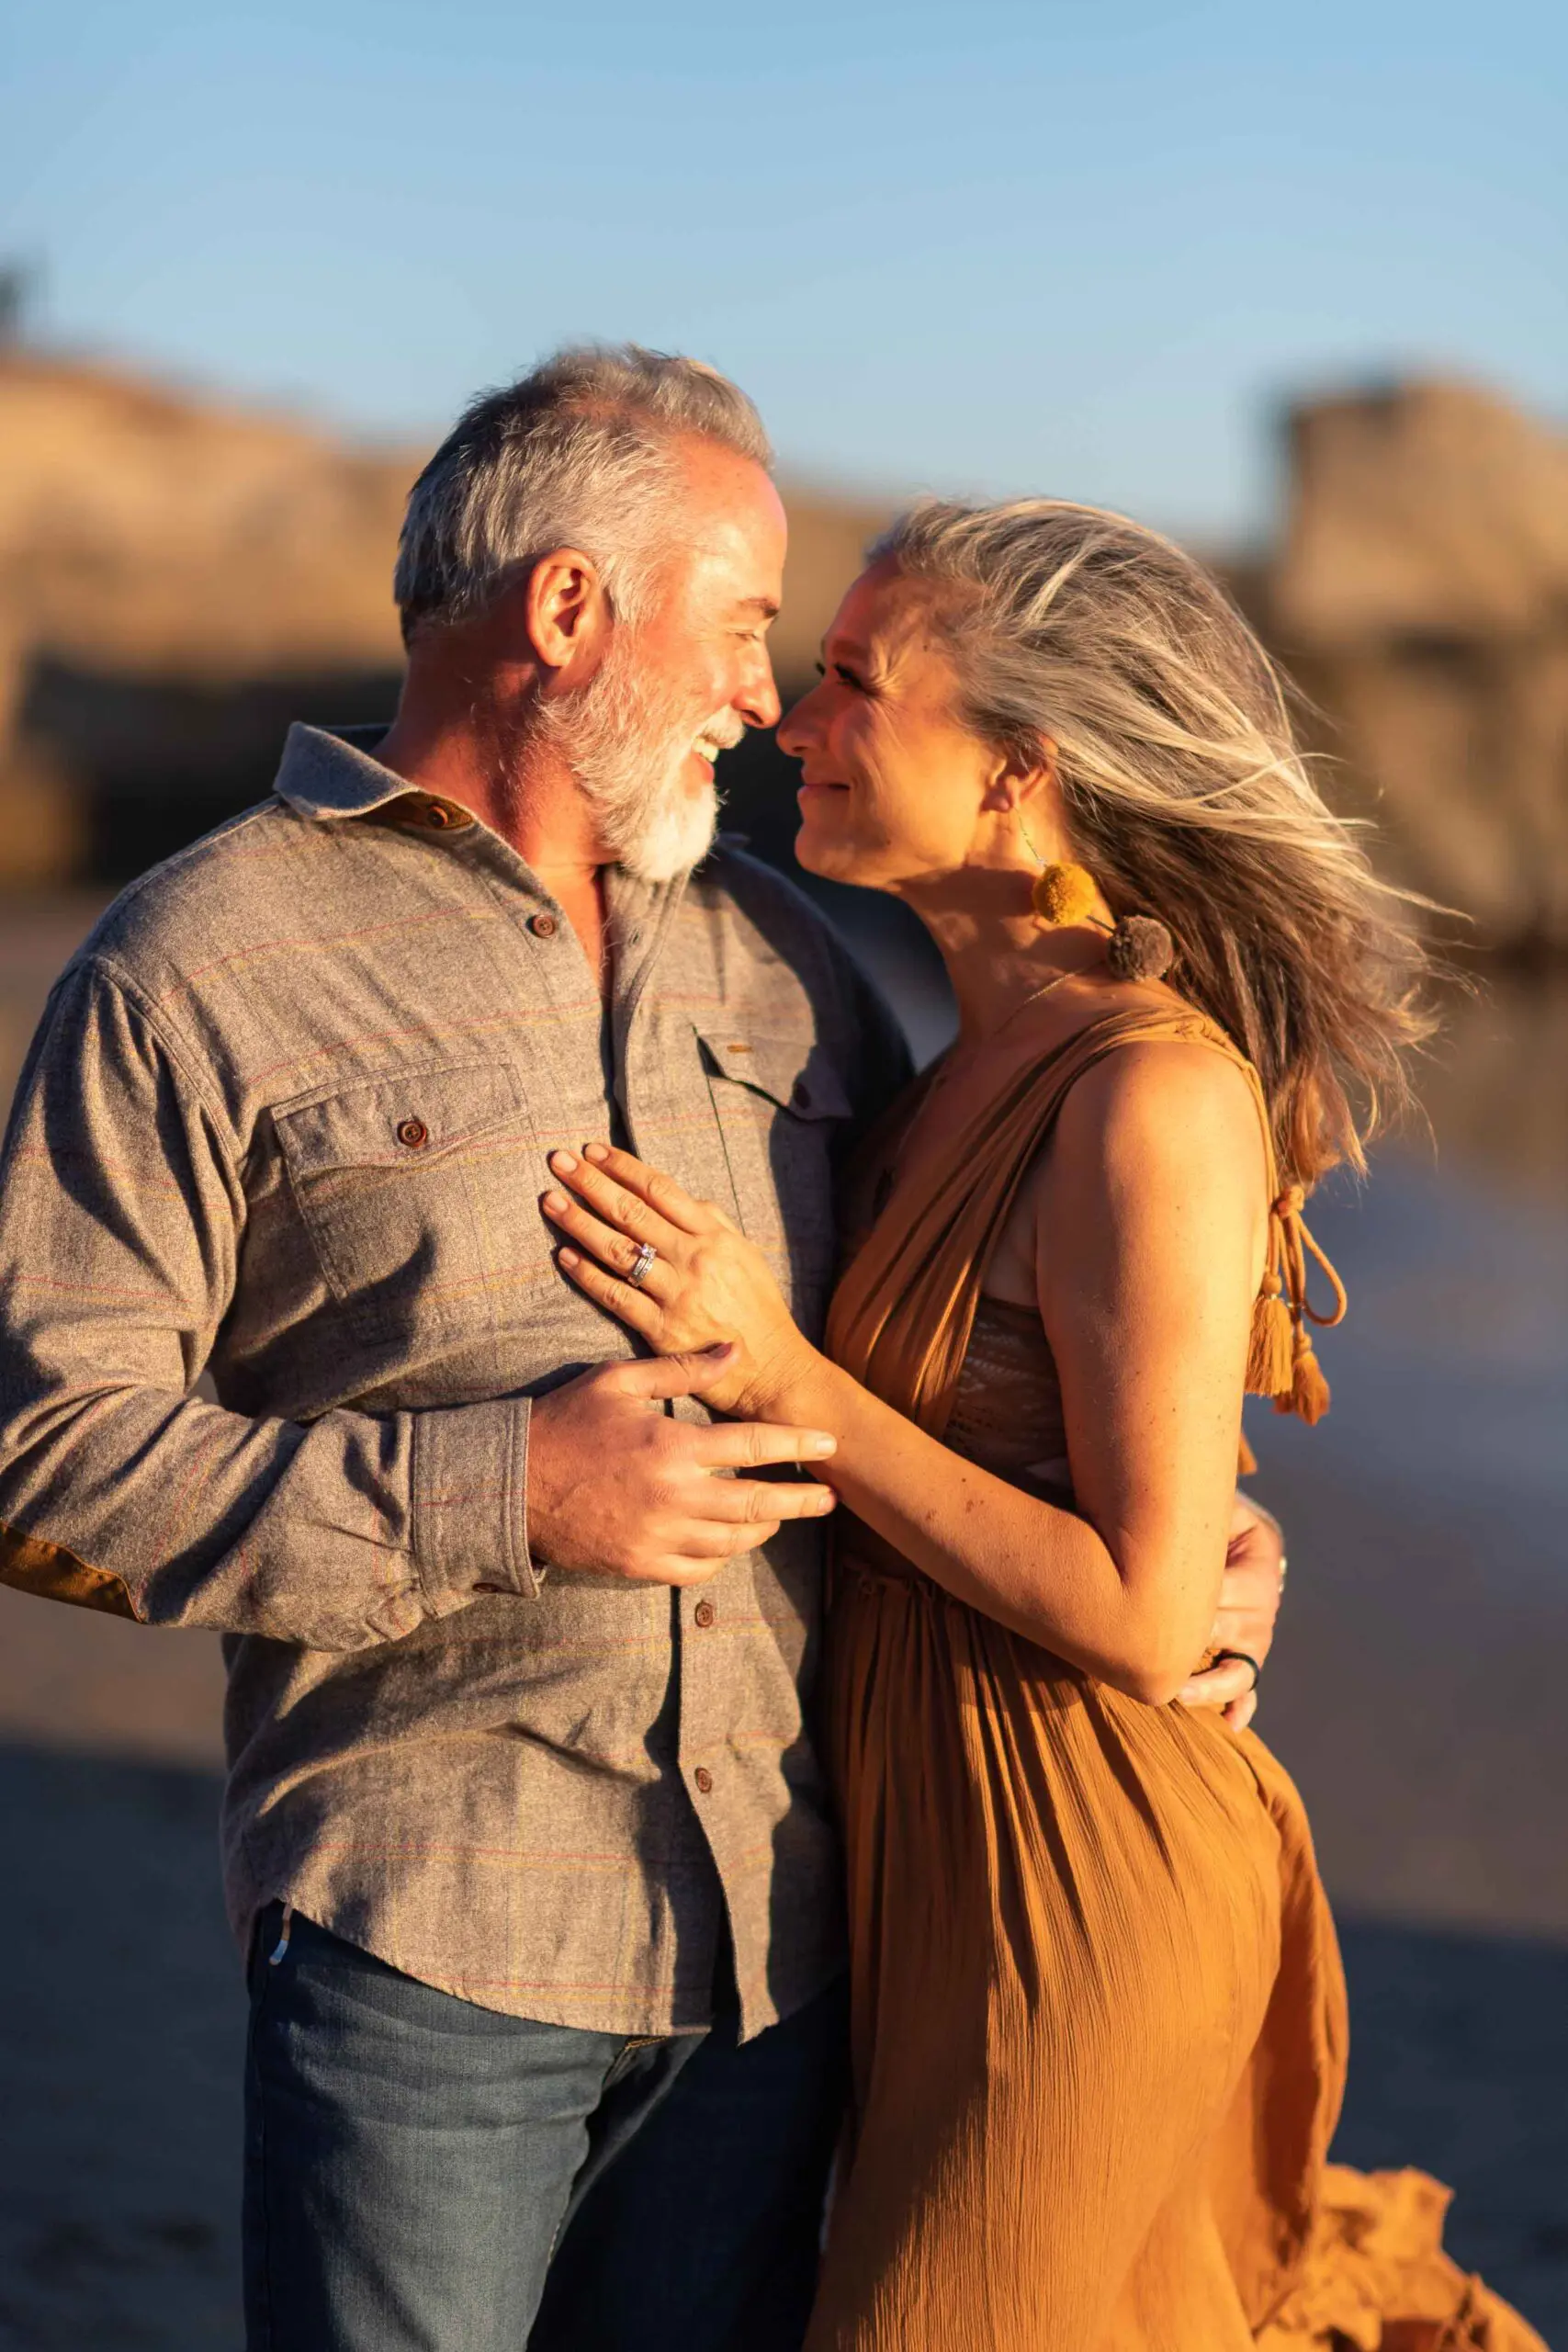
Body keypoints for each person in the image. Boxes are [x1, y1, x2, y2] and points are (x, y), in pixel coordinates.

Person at [0, 356, 1285, 2349]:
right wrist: (507, 1492)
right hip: (429, 1940)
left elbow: (964, 1344)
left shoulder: (791, 961)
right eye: (755, 627)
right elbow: (44, 1454)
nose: (769, 702)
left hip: (786, 1959)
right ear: (570, 611)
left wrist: (1197, 1535)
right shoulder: (192, 970)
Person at [539, 499, 1547, 2350]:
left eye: (854, 679)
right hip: (926, 1892)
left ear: (1017, 768)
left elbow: (1148, 1614)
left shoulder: (1148, 1092)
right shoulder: (948, 1065)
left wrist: (785, 1374)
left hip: (1076, 1893)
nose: (793, 715)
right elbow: (1146, 1499)